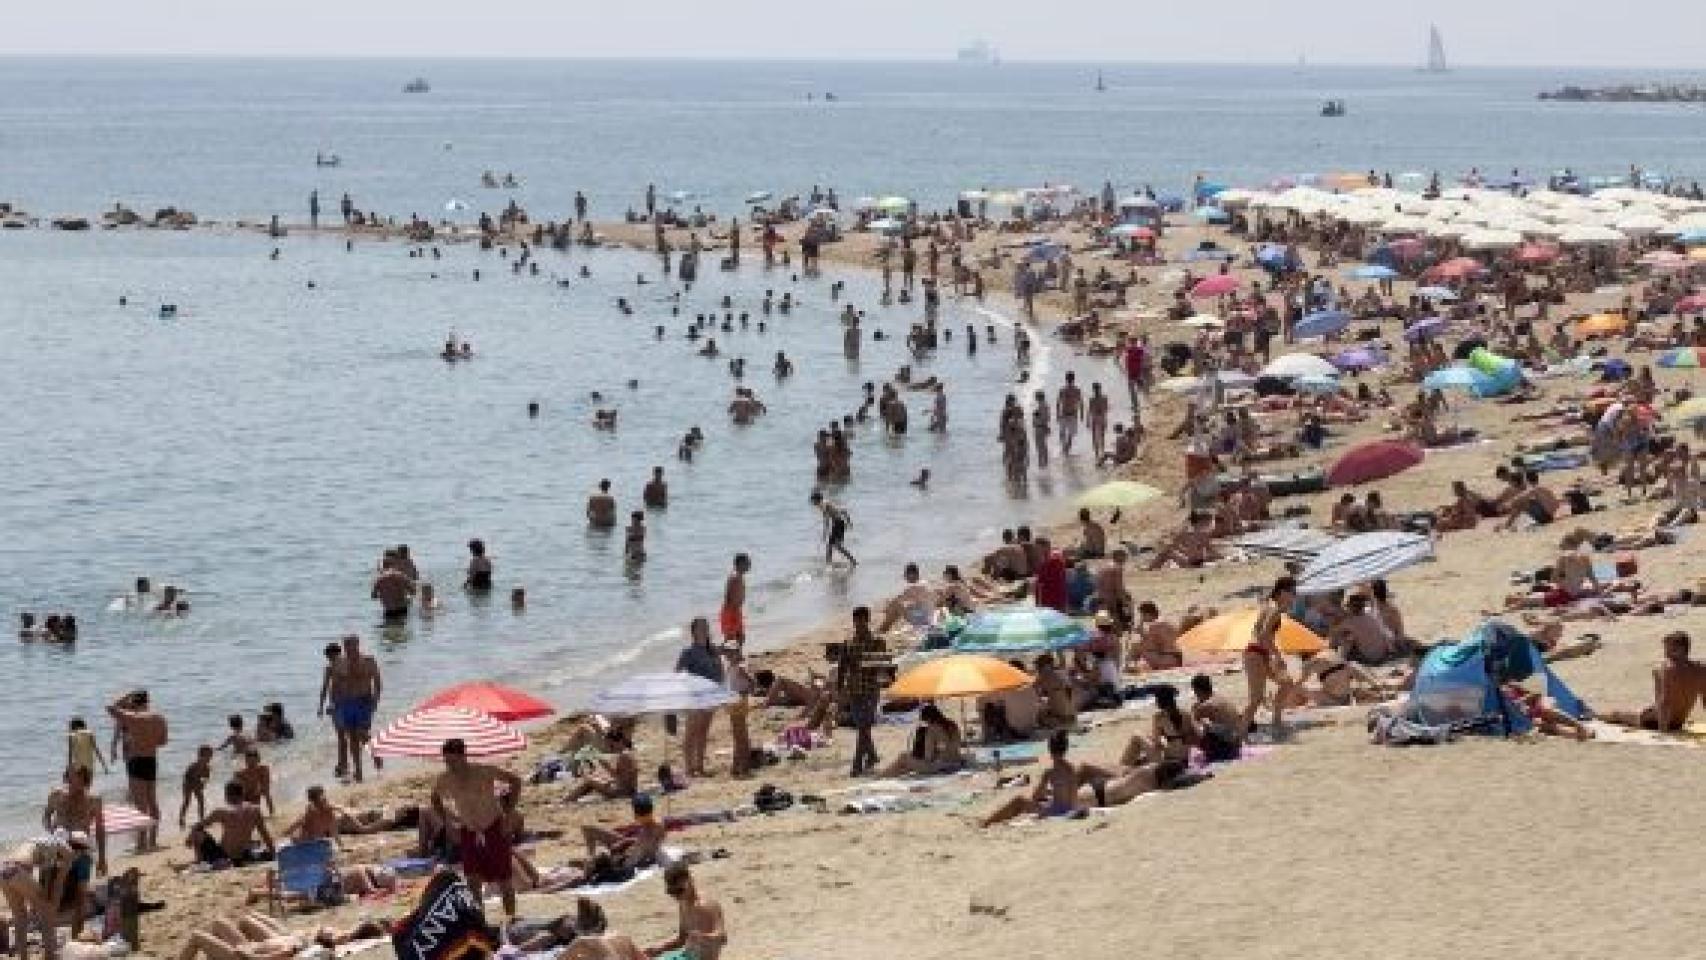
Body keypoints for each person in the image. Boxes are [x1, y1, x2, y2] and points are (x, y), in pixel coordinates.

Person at [431, 738, 525, 918]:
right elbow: (435, 799)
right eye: (446, 761)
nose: (449, 765)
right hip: (469, 830)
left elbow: (516, 781)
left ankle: (511, 918)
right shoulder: (446, 779)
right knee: (473, 882)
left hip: (493, 826)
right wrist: (447, 821)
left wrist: (509, 813)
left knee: (504, 879)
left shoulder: (484, 771)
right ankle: (480, 921)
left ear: (463, 756)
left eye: (453, 761)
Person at [1598, 631, 1706, 731]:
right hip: (1679, 722)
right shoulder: (1701, 669)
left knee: (1617, 715)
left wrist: (1663, 732)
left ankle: (1593, 716)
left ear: (1680, 649)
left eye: (1668, 649)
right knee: (1641, 710)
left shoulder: (1666, 669)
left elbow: (1664, 702)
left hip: (1656, 722)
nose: (1666, 653)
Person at [979, 731, 1084, 826]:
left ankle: (987, 822)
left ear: (1050, 750)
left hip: (1058, 812)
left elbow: (1035, 796)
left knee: (1019, 801)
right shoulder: (1071, 769)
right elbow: (1071, 795)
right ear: (1065, 749)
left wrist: (1047, 796)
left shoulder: (1050, 772)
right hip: (1070, 808)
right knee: (1043, 802)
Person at [107, 690, 167, 853]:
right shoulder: (159, 718)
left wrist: (126, 694)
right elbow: (163, 742)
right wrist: (147, 741)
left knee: (140, 804)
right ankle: (153, 840)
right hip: (151, 760)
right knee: (152, 801)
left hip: (136, 760)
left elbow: (110, 708)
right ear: (148, 701)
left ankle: (141, 843)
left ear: (134, 702)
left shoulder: (132, 718)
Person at [1, 834, 76, 960]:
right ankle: (50, 956)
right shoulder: (67, 852)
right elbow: (58, 882)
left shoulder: (39, 841)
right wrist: (52, 907)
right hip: (17, 870)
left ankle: (23, 957)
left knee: (20, 917)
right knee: (46, 915)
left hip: (3, 870)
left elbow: (41, 879)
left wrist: (39, 901)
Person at [1242, 577, 1301, 738]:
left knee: (1286, 682)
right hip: (1255, 653)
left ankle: (1276, 720)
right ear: (1282, 592)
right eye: (1293, 592)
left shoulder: (1272, 606)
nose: (1295, 597)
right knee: (1256, 699)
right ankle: (1241, 734)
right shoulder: (1275, 609)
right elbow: (1263, 635)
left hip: (1261, 653)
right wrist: (1277, 655)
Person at [319, 634, 382, 782]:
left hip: (364, 702)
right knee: (352, 738)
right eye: (346, 646)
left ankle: (375, 754)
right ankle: (358, 771)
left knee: (362, 734)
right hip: (346, 704)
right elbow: (335, 686)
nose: (348, 649)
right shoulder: (339, 664)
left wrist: (375, 701)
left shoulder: (369, 661)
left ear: (358, 644)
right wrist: (333, 704)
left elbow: (378, 683)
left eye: (351, 645)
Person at [838, 606, 888, 776]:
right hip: (853, 690)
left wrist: (863, 665)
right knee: (862, 726)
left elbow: (882, 667)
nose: (858, 625)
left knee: (864, 727)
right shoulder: (848, 643)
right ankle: (872, 756)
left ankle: (857, 763)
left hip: (870, 689)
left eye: (861, 621)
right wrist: (839, 687)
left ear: (867, 620)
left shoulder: (877, 641)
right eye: (856, 621)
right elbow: (842, 666)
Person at [644, 863, 726, 960]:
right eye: (672, 892)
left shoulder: (707, 905)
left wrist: (704, 937)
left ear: (690, 880)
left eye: (679, 891)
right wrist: (661, 948)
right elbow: (682, 939)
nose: (677, 897)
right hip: (686, 956)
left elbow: (722, 937)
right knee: (627, 947)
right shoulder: (683, 905)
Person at [674, 618, 724, 778]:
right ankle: (689, 768)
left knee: (703, 732)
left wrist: (719, 689)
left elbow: (720, 672)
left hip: (711, 697)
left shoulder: (713, 649)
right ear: (693, 631)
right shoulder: (688, 652)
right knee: (691, 733)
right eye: (701, 627)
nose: (704, 630)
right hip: (694, 698)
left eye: (706, 627)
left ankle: (700, 766)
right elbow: (676, 673)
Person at [187, 781, 276, 868]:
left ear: (227, 796)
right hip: (243, 854)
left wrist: (190, 837)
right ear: (242, 793)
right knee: (255, 843)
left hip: (224, 855)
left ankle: (200, 861)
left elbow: (198, 826)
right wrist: (272, 852)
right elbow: (264, 834)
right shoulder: (255, 810)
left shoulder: (222, 811)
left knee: (197, 833)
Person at [43, 766, 107, 878]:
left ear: (85, 781)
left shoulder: (93, 800)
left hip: (80, 847)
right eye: (70, 778)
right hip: (58, 843)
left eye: (77, 779)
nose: (72, 783)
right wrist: (50, 829)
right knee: (50, 881)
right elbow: (46, 816)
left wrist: (101, 858)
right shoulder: (56, 795)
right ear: (66, 778)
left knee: (78, 891)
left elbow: (100, 830)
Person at [879, 705, 965, 776]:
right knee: (906, 766)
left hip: (941, 767)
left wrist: (918, 754)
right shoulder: (953, 725)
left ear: (928, 719)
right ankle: (888, 775)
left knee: (903, 757)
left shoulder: (932, 729)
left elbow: (928, 757)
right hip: (956, 762)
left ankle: (882, 775)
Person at [562, 727, 639, 802]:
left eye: (612, 745)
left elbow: (622, 781)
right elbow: (622, 777)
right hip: (628, 790)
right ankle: (568, 799)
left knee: (589, 782)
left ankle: (567, 801)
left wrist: (607, 770)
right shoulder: (627, 754)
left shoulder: (624, 756)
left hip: (623, 793)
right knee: (595, 779)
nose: (611, 748)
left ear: (619, 742)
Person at [1189, 674, 1244, 762]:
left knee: (1190, 732)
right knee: (1210, 726)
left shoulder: (1205, 706)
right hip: (1237, 744)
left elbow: (1191, 723)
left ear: (1197, 691)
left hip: (1227, 749)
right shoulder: (1220, 698)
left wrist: (1194, 711)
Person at [809, 491, 857, 567]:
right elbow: (842, 511)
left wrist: (825, 532)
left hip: (839, 524)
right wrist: (848, 521)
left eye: (813, 501)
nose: (813, 503)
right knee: (831, 546)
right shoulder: (825, 503)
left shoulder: (823, 505)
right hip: (838, 524)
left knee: (835, 546)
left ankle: (852, 561)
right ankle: (830, 564)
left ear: (817, 499)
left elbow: (827, 520)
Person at [370, 553, 415, 622]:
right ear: (395, 564)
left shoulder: (379, 580)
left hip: (388, 610)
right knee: (401, 629)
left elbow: (373, 596)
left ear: (384, 565)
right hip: (402, 608)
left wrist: (385, 594)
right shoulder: (401, 576)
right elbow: (413, 592)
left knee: (389, 629)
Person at [180, 744, 214, 828]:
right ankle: (181, 818)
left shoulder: (207, 767)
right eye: (208, 756)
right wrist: (195, 784)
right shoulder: (194, 765)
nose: (209, 758)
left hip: (197, 784)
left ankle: (201, 819)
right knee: (187, 801)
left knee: (201, 801)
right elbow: (186, 776)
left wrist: (203, 784)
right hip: (188, 784)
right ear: (200, 756)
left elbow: (206, 778)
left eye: (210, 756)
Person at [234, 749, 275, 817]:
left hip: (257, 792)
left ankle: (272, 815)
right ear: (246, 762)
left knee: (266, 793)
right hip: (245, 795)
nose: (251, 765)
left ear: (258, 760)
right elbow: (239, 792)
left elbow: (266, 786)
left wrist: (258, 790)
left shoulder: (264, 770)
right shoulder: (240, 774)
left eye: (253, 762)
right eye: (249, 762)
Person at [720, 553, 750, 645]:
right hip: (730, 611)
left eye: (749, 563)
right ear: (739, 564)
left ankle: (737, 655)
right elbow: (727, 595)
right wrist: (729, 614)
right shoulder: (734, 577)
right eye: (747, 563)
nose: (749, 566)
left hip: (736, 611)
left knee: (741, 637)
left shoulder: (740, 577)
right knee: (730, 637)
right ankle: (723, 653)